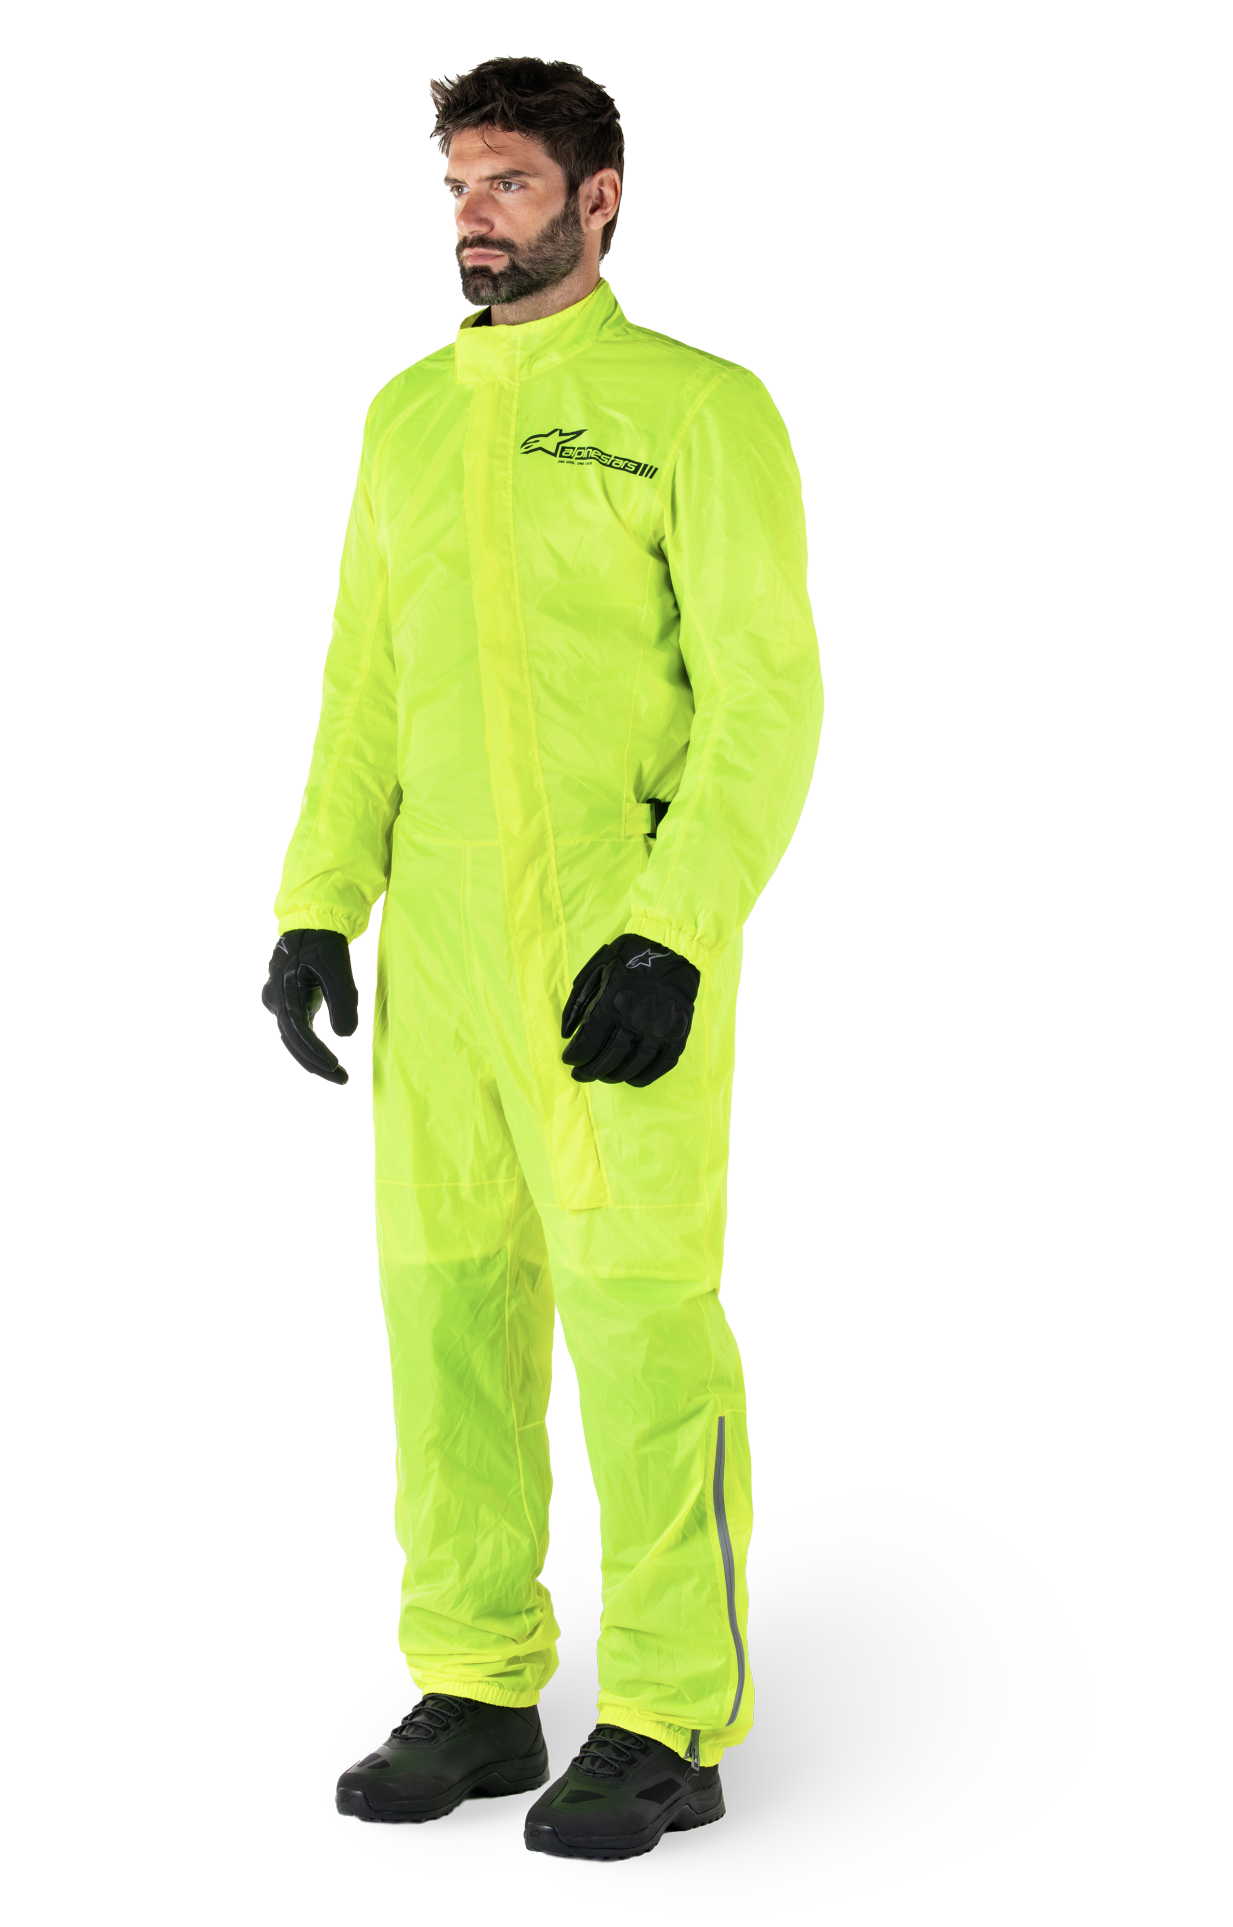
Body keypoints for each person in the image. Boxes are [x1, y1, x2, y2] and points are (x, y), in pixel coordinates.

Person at [264, 56, 822, 1866]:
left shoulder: (693, 410)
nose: (473, 217)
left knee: (645, 1331)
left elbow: (764, 698)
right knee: (445, 1325)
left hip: (607, 950)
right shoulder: (412, 421)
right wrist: (313, 901)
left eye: (508, 183)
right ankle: (481, 1684)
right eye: (458, 185)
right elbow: (364, 686)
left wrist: (675, 927)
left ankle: (666, 1713)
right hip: (437, 959)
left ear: (599, 201)